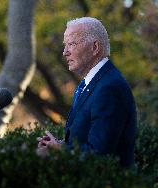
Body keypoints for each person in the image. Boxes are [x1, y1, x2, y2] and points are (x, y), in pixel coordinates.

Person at [37, 17, 137, 168]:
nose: (65, 52)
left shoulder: (109, 87)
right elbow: (85, 140)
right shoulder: (88, 84)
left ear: (95, 47)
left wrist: (61, 150)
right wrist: (57, 145)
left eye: (72, 44)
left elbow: (100, 155)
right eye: (65, 45)